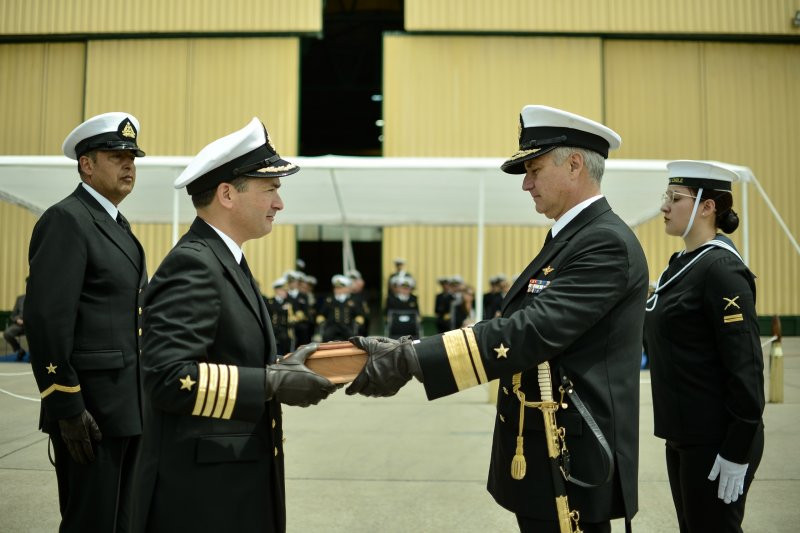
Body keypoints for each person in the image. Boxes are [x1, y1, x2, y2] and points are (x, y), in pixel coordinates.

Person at [346, 105, 648, 533]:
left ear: (575, 164)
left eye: (535, 169)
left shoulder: (605, 243)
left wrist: (413, 358)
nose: (526, 184)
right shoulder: (574, 237)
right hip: (545, 444)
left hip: (572, 459)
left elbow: (532, 330)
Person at [131, 118, 336, 532]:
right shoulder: (195, 264)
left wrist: (284, 366)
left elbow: (226, 354)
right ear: (227, 193)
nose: (279, 204)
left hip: (228, 483)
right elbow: (167, 377)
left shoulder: (226, 260)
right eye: (271, 189)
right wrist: (270, 382)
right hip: (202, 498)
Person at [24, 112, 148, 531]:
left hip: (127, 406)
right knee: (91, 523)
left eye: (132, 156)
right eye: (116, 156)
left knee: (122, 522)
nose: (128, 164)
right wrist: (65, 404)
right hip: (89, 411)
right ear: (87, 165)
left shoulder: (117, 225)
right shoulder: (67, 220)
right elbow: (45, 320)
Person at [643, 160, 764, 532]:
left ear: (707, 207)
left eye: (674, 198)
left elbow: (745, 367)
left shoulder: (721, 270)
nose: (664, 206)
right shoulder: (679, 265)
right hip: (684, 434)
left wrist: (737, 448)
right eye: (666, 196)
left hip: (716, 440)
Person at [316, 274, 365, 342]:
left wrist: (359, 318)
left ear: (347, 289)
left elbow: (359, 313)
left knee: (352, 338)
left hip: (347, 327)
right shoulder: (329, 300)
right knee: (326, 336)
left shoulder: (352, 301)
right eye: (336, 288)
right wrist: (320, 318)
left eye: (340, 288)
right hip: (331, 326)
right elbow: (322, 313)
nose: (337, 290)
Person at [385, 274, 421, 339]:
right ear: (399, 288)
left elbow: (417, 313)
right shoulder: (391, 299)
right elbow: (387, 313)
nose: (405, 290)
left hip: (411, 327)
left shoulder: (413, 298)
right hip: (396, 327)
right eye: (403, 288)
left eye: (407, 288)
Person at [266, 277, 294, 356]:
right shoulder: (269, 301)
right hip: (273, 329)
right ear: (277, 290)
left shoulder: (289, 302)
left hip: (284, 330)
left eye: (286, 290)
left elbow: (292, 318)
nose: (286, 292)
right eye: (284, 290)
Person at [3, 283, 26, 361]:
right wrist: (17, 319)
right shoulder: (20, 298)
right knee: (7, 333)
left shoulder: (37, 298)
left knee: (34, 335)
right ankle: (19, 350)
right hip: (19, 325)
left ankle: (33, 355)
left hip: (32, 325)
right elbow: (13, 315)